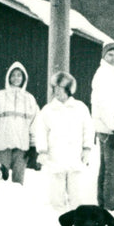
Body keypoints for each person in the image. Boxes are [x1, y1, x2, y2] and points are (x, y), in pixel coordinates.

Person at [34, 72, 94, 211]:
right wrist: (42, 151)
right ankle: (59, 221)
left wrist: (87, 149)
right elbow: (41, 132)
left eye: (61, 88)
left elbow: (88, 129)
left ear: (68, 89)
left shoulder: (80, 108)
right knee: (56, 196)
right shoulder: (48, 110)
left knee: (77, 195)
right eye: (55, 88)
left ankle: (77, 222)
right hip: (55, 159)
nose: (57, 92)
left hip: (75, 158)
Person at [0, 62, 39, 185]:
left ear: (24, 78)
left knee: (18, 183)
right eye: (13, 75)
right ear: (8, 77)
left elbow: (35, 124)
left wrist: (33, 145)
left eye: (19, 75)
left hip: (22, 147)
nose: (16, 78)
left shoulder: (30, 99)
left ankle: (17, 203)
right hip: (2, 145)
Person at [91, 41, 114, 210]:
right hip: (108, 128)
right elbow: (104, 105)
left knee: (105, 168)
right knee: (111, 170)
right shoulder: (104, 75)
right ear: (104, 56)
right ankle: (109, 203)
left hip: (106, 126)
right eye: (110, 54)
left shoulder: (113, 75)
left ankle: (103, 201)